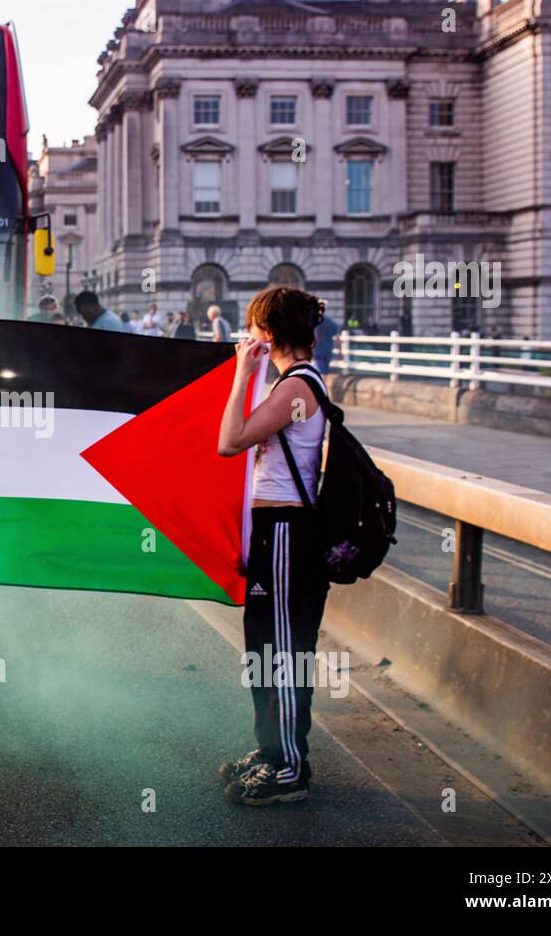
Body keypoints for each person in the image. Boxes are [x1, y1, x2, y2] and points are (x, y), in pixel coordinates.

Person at [216, 285, 331, 805]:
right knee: (264, 647)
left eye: (252, 327)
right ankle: (271, 749)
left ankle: (290, 765)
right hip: (272, 530)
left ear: (267, 331)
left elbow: (231, 441)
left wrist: (242, 371)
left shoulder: (299, 387)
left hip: (288, 531)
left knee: (284, 651)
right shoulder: (289, 383)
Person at [314, 302, 340, 374]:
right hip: (328, 349)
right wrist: (340, 351)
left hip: (318, 349)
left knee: (319, 369)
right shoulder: (331, 322)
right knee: (326, 368)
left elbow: (315, 336)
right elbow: (337, 338)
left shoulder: (315, 322)